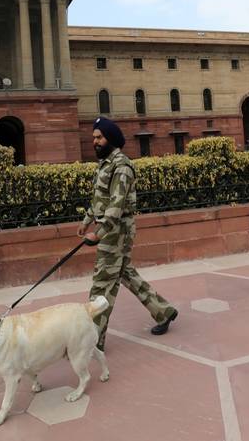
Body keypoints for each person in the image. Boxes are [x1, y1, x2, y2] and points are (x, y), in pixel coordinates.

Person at [78, 117, 178, 350]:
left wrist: (99, 233)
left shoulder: (122, 166)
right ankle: (163, 311)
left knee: (102, 283)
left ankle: (94, 339)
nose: (95, 141)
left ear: (111, 138)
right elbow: (100, 199)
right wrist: (87, 220)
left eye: (99, 137)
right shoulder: (105, 164)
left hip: (116, 231)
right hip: (111, 230)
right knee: (124, 273)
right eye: (94, 137)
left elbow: (117, 204)